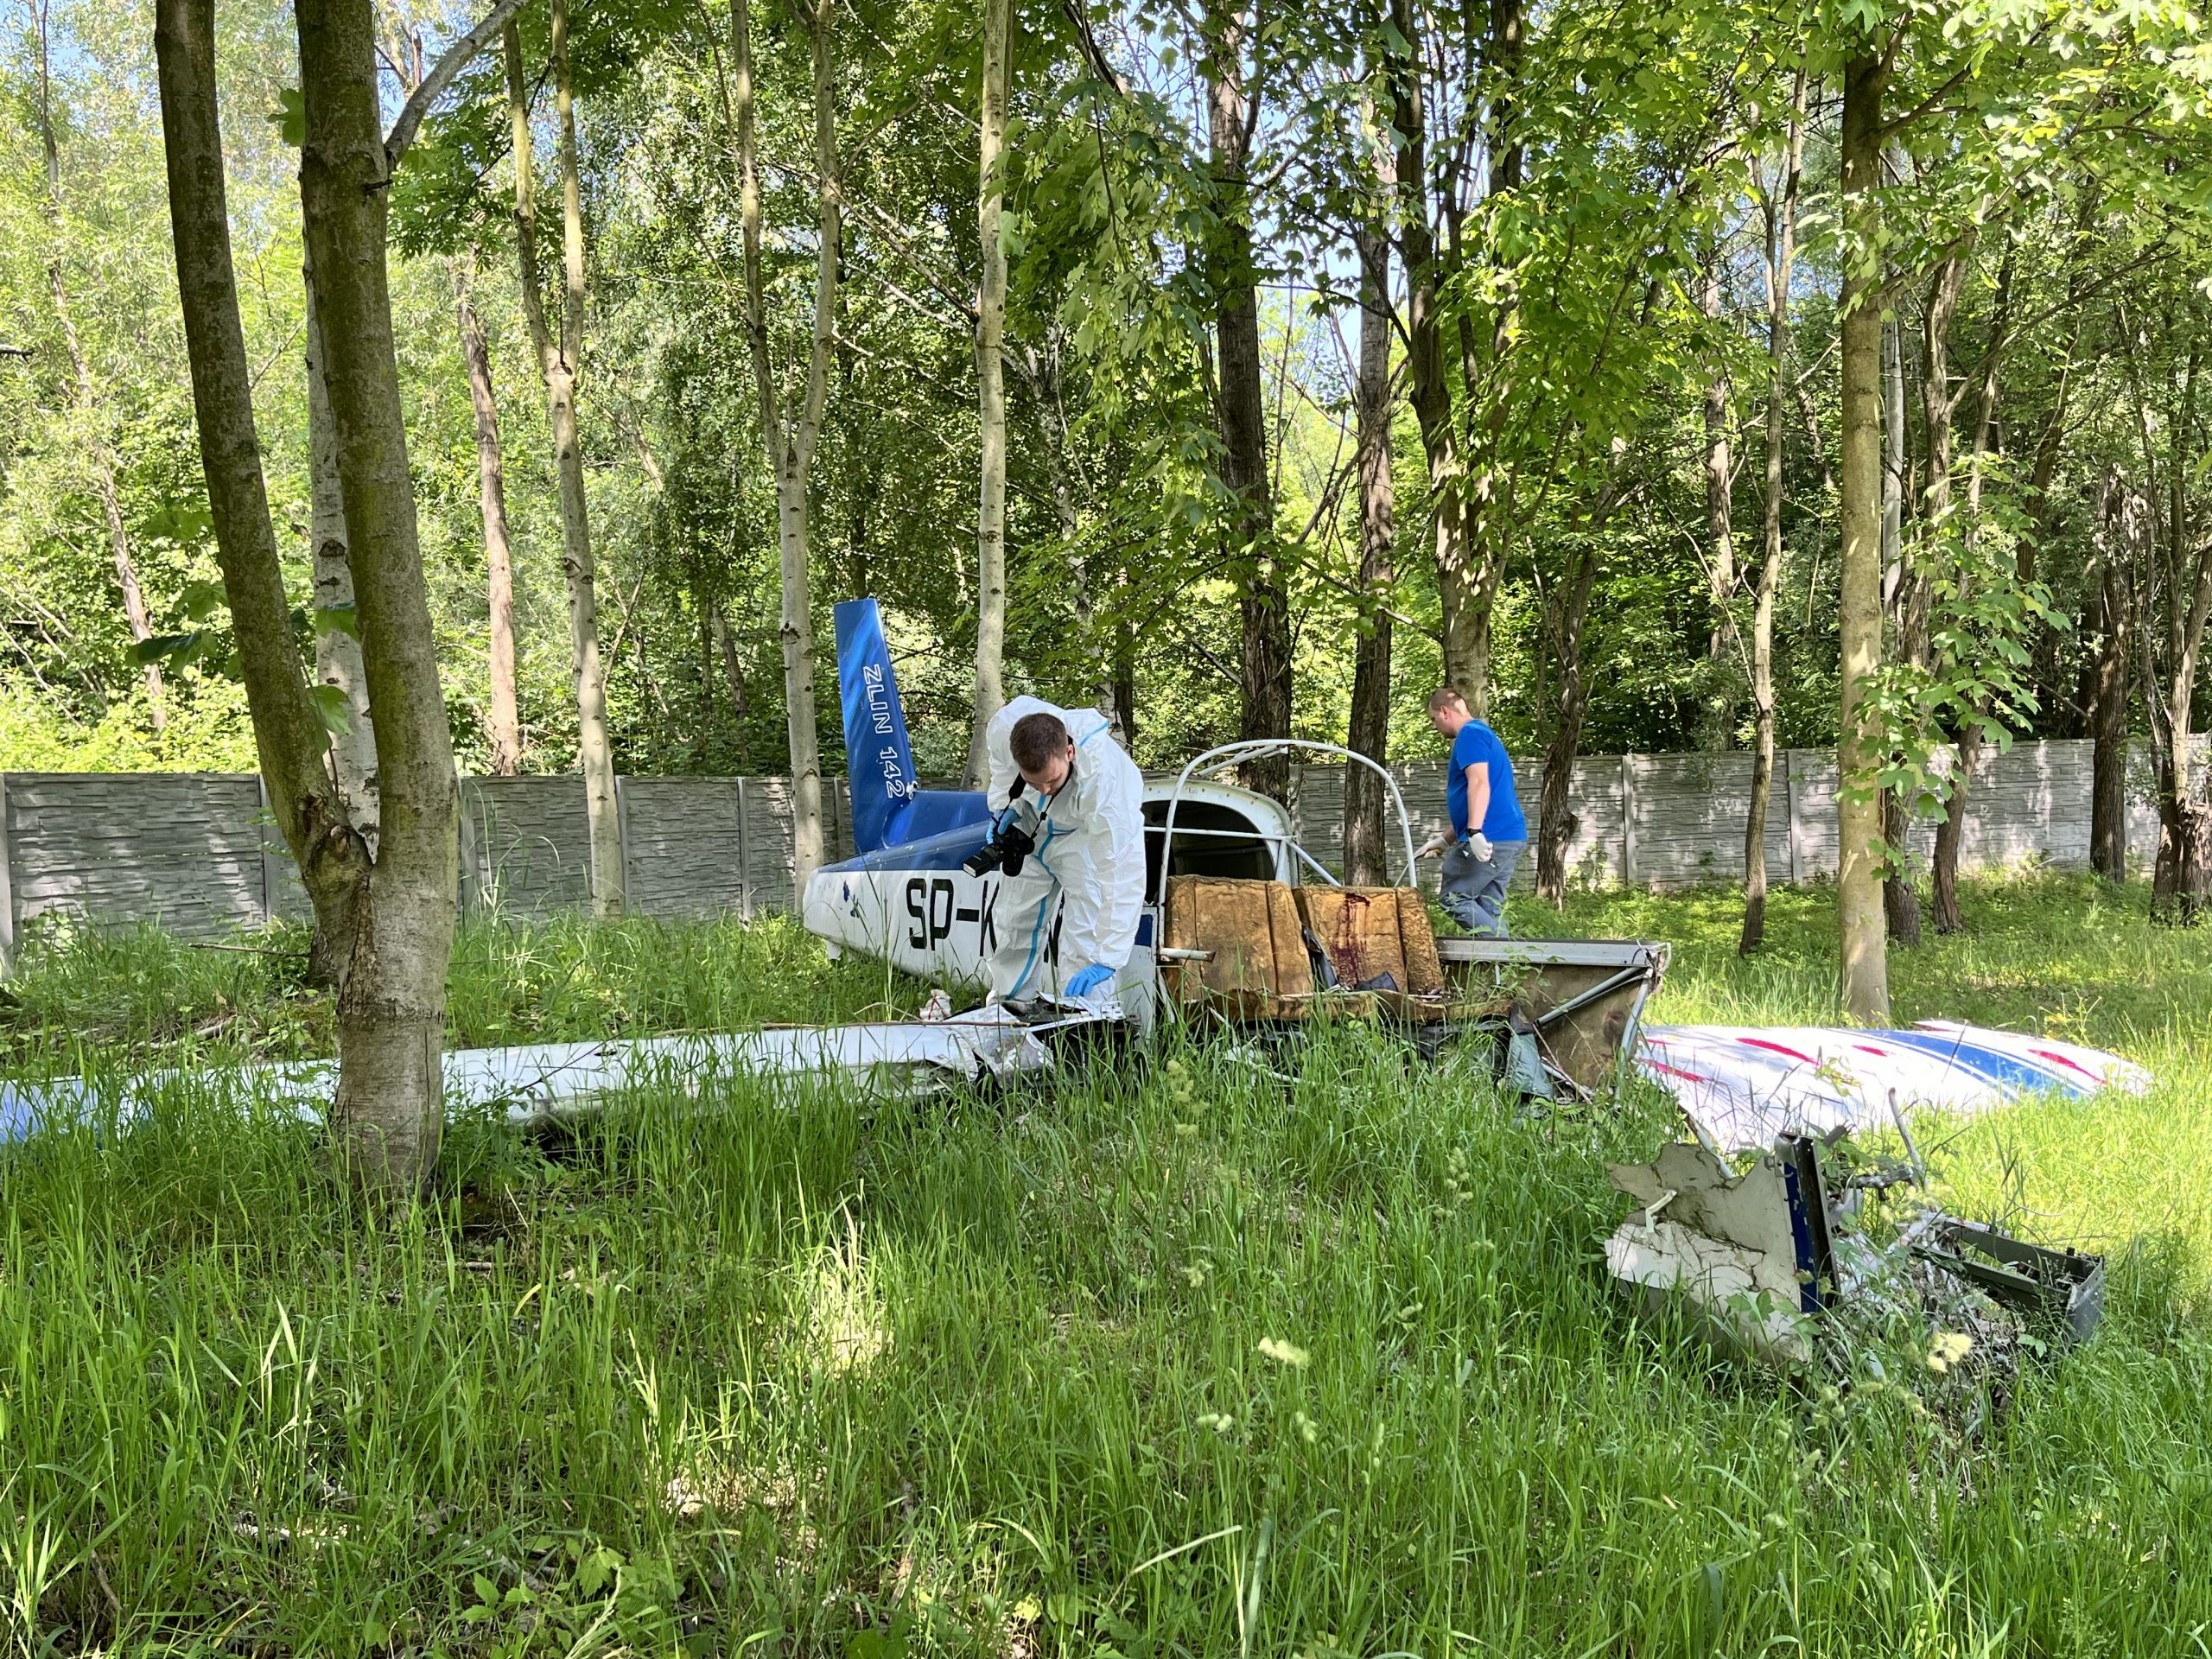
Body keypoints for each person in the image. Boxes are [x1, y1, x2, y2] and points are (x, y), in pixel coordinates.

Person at [978, 696, 1145, 1009]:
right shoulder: (1003, 729)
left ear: (1070, 752)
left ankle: (1087, 1018)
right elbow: (1001, 771)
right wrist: (1004, 807)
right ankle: (1008, 1010)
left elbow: (1123, 870)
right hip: (1030, 825)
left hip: (1082, 836)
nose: (1044, 789)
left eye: (1052, 780)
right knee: (1014, 921)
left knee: (1086, 928)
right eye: (1033, 782)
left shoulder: (1106, 784)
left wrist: (1109, 956)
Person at [1413, 686, 1528, 938]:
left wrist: (1475, 832)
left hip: (1490, 837)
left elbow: (1479, 783)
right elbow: (1479, 796)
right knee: (1488, 907)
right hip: (1507, 836)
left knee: (1454, 898)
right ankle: (1503, 962)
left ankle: (1508, 953)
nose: (1434, 726)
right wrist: (1445, 839)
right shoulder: (1482, 733)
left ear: (1445, 712)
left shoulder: (1469, 735)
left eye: (1433, 719)